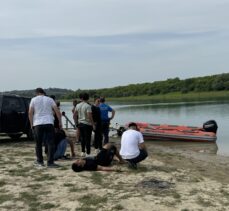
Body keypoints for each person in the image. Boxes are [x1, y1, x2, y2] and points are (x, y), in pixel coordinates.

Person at [29, 88, 62, 168]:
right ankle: (50, 162)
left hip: (38, 123)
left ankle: (40, 161)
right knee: (50, 143)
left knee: (38, 143)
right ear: (43, 92)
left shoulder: (33, 99)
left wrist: (31, 124)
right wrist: (60, 122)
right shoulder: (50, 99)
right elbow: (57, 111)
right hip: (49, 122)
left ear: (37, 93)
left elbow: (30, 112)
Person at [73, 92, 95, 157]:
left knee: (82, 138)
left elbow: (74, 115)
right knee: (88, 139)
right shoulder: (88, 106)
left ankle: (83, 152)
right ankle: (88, 153)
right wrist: (93, 124)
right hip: (87, 124)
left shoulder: (77, 105)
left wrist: (76, 123)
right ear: (87, 98)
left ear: (81, 98)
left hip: (80, 123)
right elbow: (89, 116)